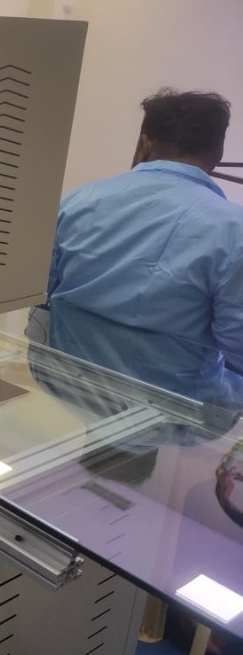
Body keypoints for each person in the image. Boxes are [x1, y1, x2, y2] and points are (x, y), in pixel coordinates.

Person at [45, 88, 243, 413]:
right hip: (178, 417)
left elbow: (44, 292)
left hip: (67, 392)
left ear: (144, 143)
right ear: (216, 155)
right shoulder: (234, 229)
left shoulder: (78, 200)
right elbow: (238, 345)